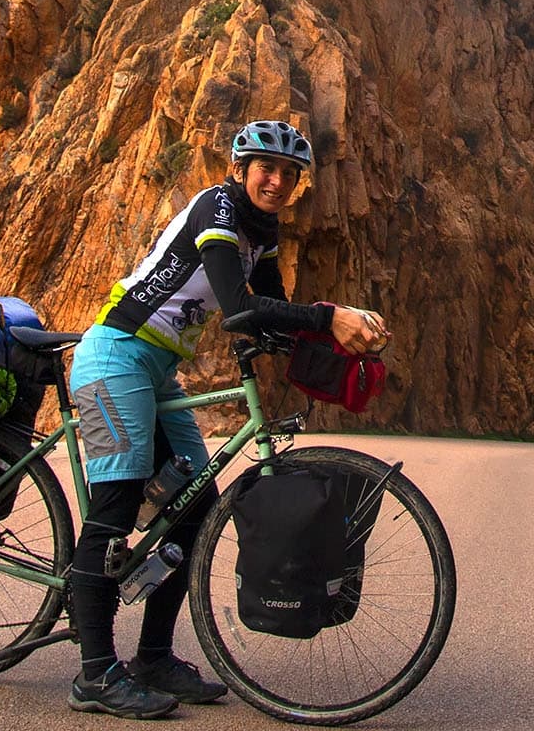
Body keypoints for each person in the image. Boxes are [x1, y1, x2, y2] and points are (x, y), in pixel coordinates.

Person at [64, 118, 388, 719]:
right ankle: (94, 674)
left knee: (194, 510)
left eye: (288, 174)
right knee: (114, 508)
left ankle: (154, 657)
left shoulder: (259, 235)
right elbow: (237, 307)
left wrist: (342, 342)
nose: (276, 180)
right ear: (240, 170)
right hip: (115, 354)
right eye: (265, 168)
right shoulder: (217, 206)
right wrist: (329, 315)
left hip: (158, 368)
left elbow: (268, 320)